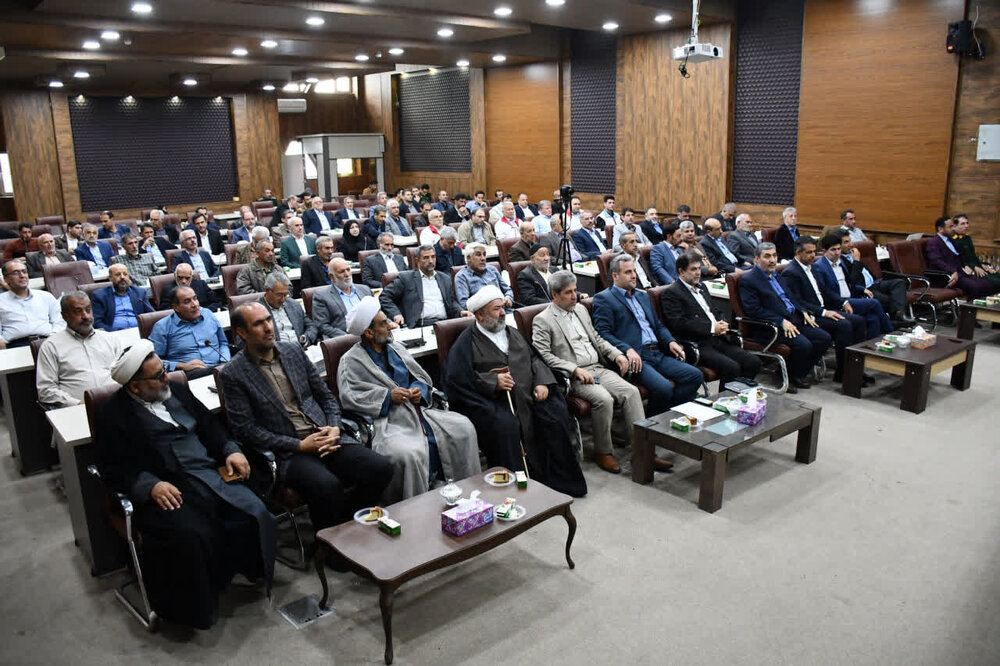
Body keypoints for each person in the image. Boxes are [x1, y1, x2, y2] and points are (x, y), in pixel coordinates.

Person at [97, 340, 275, 629]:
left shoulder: (176, 391)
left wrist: (230, 449)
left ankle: (240, 571)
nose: (166, 378)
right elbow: (112, 467)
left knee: (255, 511)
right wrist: (150, 485)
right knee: (192, 534)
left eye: (164, 370)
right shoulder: (113, 415)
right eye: (158, 376)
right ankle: (195, 610)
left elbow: (209, 424)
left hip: (207, 471)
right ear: (135, 387)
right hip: (168, 486)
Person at [220, 302, 394, 531]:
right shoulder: (233, 373)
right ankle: (331, 541)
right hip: (289, 450)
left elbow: (326, 396)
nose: (268, 327)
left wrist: (334, 426)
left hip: (325, 435)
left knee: (381, 468)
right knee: (327, 486)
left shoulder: (292, 351)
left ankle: (344, 527)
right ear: (242, 333)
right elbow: (246, 429)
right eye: (258, 324)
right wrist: (300, 445)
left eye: (268, 319)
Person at [443, 286, 587, 497]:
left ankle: (557, 481)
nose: (503, 313)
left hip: (530, 394)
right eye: (496, 309)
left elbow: (535, 359)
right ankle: (514, 489)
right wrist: (493, 381)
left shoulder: (512, 333)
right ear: (480, 315)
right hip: (494, 401)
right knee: (505, 425)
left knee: (554, 413)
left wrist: (541, 382)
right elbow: (457, 380)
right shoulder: (466, 342)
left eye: (503, 307)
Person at [339, 298, 480, 500]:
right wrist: (388, 397)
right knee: (408, 453)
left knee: (463, 428)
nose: (390, 326)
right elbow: (351, 397)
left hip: (419, 411)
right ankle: (417, 506)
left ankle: (462, 494)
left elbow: (420, 377)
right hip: (388, 422)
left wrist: (417, 390)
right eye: (383, 324)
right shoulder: (350, 361)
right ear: (369, 333)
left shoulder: (396, 348)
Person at [532, 271, 645, 474]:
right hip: (575, 376)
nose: (574, 296)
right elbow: (542, 355)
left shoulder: (581, 310)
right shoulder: (543, 320)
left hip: (598, 367)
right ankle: (603, 451)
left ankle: (643, 450)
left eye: (575, 290)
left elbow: (597, 338)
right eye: (568, 292)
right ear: (555, 295)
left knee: (631, 392)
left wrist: (617, 355)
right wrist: (574, 369)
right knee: (604, 399)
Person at [592, 254, 703, 415]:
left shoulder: (642, 295)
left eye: (634, 271)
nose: (634, 275)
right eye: (628, 272)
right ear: (615, 276)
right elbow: (603, 333)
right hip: (637, 358)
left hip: (658, 352)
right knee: (664, 388)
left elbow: (657, 325)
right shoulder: (604, 299)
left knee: (695, 376)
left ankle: (670, 415)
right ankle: (652, 423)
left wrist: (670, 341)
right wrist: (627, 349)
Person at [738, 243, 831, 392]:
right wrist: (780, 321)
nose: (772, 260)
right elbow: (753, 310)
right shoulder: (749, 280)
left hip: (793, 319)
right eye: (767, 256)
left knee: (823, 338)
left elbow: (792, 298)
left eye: (774, 256)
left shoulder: (777, 276)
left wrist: (802, 310)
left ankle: (798, 373)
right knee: (804, 345)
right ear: (756, 259)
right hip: (770, 327)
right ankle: (784, 376)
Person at [660, 253, 761, 386]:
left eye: (699, 268)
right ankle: (727, 398)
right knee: (732, 367)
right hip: (697, 344)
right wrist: (712, 327)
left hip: (718, 338)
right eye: (693, 269)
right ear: (681, 271)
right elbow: (679, 324)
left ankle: (740, 394)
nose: (698, 273)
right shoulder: (672, 293)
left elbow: (716, 311)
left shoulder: (702, 287)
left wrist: (723, 322)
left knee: (753, 362)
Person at [779, 236, 867, 383]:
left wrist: (843, 302)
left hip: (822, 309)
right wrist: (824, 312)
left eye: (814, 252)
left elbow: (824, 291)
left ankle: (855, 370)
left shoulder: (811, 267)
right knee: (844, 325)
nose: (813, 255)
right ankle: (843, 374)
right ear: (798, 253)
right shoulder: (791, 272)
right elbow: (797, 302)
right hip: (810, 315)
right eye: (809, 252)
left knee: (859, 321)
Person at [36, 291, 123, 408]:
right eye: (78, 311)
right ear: (64, 316)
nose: (85, 316)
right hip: (78, 409)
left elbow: (125, 376)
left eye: (88, 310)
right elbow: (46, 390)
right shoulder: (51, 346)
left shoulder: (110, 339)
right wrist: (78, 404)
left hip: (117, 405)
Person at [814, 232, 895, 337]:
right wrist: (843, 302)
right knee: (874, 303)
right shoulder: (819, 267)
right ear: (824, 251)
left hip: (850, 298)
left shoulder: (841, 262)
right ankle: (891, 332)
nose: (837, 253)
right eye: (833, 250)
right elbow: (825, 292)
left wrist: (861, 289)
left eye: (839, 249)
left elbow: (849, 283)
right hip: (837, 303)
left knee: (873, 317)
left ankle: (873, 344)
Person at [149, 286, 230, 376]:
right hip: (188, 375)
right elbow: (153, 361)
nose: (194, 304)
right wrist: (181, 366)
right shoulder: (162, 327)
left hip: (220, 368)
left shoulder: (208, 314)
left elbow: (223, 343)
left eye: (195, 298)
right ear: (176, 307)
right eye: (187, 301)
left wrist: (224, 362)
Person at [380, 245, 467, 327]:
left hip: (444, 324)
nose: (430, 261)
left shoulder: (444, 278)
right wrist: (396, 314)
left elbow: (451, 302)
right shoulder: (406, 278)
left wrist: (460, 311)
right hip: (420, 325)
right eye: (426, 258)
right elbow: (385, 297)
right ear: (417, 260)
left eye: (433, 257)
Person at [836, 231, 912, 324]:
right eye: (846, 242)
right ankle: (894, 319)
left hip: (875, 282)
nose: (851, 244)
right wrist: (856, 261)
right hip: (863, 289)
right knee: (889, 299)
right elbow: (853, 281)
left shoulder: (853, 253)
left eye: (850, 241)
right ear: (838, 245)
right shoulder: (840, 261)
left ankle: (899, 314)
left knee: (898, 282)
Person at [925, 216, 996, 299]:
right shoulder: (934, 242)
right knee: (977, 287)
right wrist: (953, 271)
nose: (953, 229)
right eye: (950, 227)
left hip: (961, 272)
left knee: (987, 284)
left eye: (953, 226)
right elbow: (937, 261)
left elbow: (960, 255)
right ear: (940, 229)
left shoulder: (951, 239)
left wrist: (966, 265)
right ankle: (970, 306)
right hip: (946, 276)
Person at [0, 260, 63, 348]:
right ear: (6, 279)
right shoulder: (1, 301)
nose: (22, 276)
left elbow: (59, 321)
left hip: (47, 341)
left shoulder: (45, 296)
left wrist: (53, 336)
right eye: (16, 273)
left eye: (24, 271)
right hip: (15, 345)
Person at [313, 258, 374, 339]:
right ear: (332, 276)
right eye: (342, 272)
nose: (347, 274)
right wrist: (348, 337)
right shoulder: (321, 296)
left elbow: (378, 313)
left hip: (373, 334)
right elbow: (322, 326)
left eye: (348, 270)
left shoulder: (365, 289)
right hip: (345, 338)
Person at [258, 272, 317, 347]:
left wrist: (306, 338)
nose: (283, 299)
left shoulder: (293, 305)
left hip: (300, 349)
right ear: (267, 291)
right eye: (279, 295)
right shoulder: (257, 310)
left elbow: (311, 326)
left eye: (285, 295)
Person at [91, 264, 154, 331]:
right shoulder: (100, 296)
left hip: (139, 331)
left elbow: (152, 314)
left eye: (125, 274)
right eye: (118, 274)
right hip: (114, 333)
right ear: (110, 278)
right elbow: (96, 322)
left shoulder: (139, 292)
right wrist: (111, 333)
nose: (122, 277)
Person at [454, 243, 513, 310]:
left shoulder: (492, 270)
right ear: (468, 258)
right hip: (483, 314)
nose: (483, 258)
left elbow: (507, 290)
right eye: (478, 255)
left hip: (504, 309)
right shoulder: (461, 277)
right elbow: (464, 305)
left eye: (484, 255)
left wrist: (508, 298)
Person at [951, 214, 1000, 291]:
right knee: (995, 282)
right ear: (954, 227)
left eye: (967, 223)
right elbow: (960, 259)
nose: (966, 226)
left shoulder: (967, 238)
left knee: (997, 275)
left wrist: (983, 265)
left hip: (976, 266)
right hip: (968, 269)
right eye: (963, 224)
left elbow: (973, 256)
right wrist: (974, 267)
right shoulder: (953, 240)